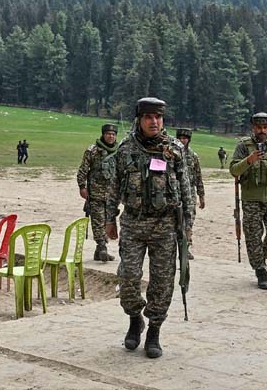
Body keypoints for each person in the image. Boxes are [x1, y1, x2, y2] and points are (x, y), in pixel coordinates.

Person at [106, 97, 192, 359]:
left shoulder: (174, 149)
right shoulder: (125, 149)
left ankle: (154, 329)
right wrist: (110, 218)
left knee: (162, 282)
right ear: (139, 119)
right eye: (148, 117)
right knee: (128, 277)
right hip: (133, 223)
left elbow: (185, 189)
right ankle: (135, 319)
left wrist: (188, 226)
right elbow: (114, 185)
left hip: (165, 225)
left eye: (158, 117)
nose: (154, 122)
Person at [229, 112, 267, 290]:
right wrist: (249, 160)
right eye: (258, 127)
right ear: (253, 128)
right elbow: (234, 170)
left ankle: (260, 257)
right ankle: (260, 270)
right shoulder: (243, 147)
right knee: (253, 236)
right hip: (251, 200)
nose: (262, 130)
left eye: (265, 127)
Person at [76, 123, 119, 262]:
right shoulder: (92, 150)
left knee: (108, 221)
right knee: (98, 220)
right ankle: (102, 247)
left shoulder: (119, 152)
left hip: (112, 195)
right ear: (103, 134)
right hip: (95, 193)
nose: (111, 136)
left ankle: (98, 251)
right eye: (108, 134)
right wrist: (82, 187)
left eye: (113, 134)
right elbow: (83, 170)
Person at [175, 128, 204, 260]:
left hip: (190, 193)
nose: (182, 141)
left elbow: (198, 176)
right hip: (175, 191)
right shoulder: (171, 154)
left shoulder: (193, 156)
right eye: (180, 138)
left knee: (189, 220)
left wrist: (201, 195)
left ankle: (185, 248)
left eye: (185, 138)